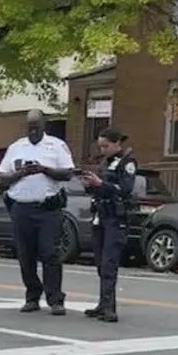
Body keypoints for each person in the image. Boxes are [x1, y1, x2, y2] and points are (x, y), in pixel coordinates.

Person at [0, 109, 78, 316]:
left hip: (48, 208)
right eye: (29, 127)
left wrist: (44, 169)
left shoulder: (56, 146)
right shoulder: (16, 147)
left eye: (36, 127)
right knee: (25, 254)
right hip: (21, 207)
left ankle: (55, 299)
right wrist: (21, 173)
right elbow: (2, 178)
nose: (32, 131)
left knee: (50, 253)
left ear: (43, 126)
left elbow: (67, 173)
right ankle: (32, 296)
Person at [79, 128, 137, 323]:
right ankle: (103, 304)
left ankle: (110, 309)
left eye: (106, 146)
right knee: (99, 262)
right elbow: (101, 188)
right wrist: (90, 185)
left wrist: (100, 184)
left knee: (109, 264)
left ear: (116, 143)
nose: (102, 149)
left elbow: (125, 190)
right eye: (100, 146)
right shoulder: (106, 162)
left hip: (115, 218)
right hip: (101, 216)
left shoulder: (127, 163)